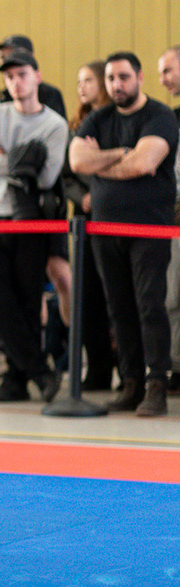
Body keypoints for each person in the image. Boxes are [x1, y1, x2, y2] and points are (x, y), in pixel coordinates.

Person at [70, 51, 178, 416]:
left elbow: (146, 162)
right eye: (112, 78)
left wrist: (103, 164)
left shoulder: (160, 116)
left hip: (149, 225)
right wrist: (123, 155)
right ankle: (130, 382)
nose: (117, 84)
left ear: (140, 77)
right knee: (119, 307)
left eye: (124, 77)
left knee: (150, 305)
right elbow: (77, 161)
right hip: (105, 228)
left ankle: (157, 385)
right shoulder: (99, 118)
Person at [0, 49, 68, 403]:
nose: (16, 81)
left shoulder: (55, 124)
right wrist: (23, 158)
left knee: (28, 300)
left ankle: (16, 378)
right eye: (10, 76)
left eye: (22, 74)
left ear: (37, 76)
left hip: (32, 220)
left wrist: (5, 155)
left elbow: (45, 176)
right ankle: (41, 372)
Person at [63, 60, 115, 390]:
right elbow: (67, 175)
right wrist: (82, 196)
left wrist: (100, 190)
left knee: (119, 296)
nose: (81, 87)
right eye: (78, 81)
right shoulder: (76, 127)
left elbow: (125, 162)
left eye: (88, 80)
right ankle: (97, 368)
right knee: (88, 297)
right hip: (84, 222)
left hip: (115, 218)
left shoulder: (117, 122)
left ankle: (128, 369)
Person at [157, 45, 180, 394]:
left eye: (169, 70)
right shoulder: (167, 117)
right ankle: (176, 365)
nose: (163, 80)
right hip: (174, 212)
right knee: (172, 296)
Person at [0, 35, 66, 117]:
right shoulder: (2, 97)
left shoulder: (50, 94)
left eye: (13, 55)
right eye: (2, 57)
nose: (6, 61)